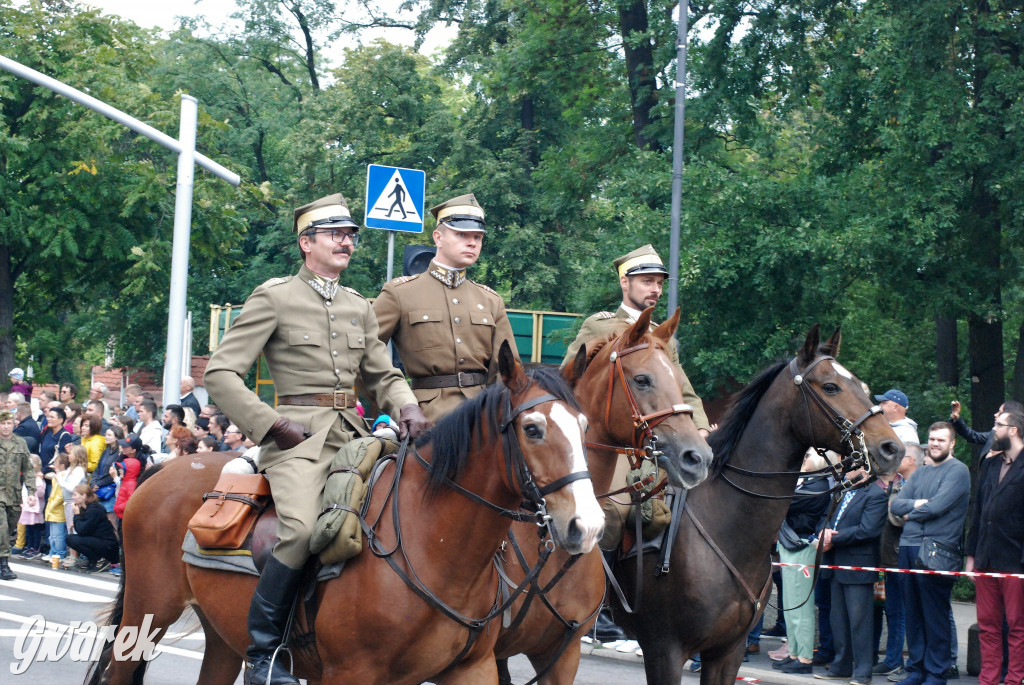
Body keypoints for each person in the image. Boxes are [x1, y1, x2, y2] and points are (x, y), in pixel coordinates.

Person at [204, 191, 429, 685]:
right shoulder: (275, 296)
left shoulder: (358, 305)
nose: (346, 242)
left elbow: (381, 373)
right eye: (335, 234)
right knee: (304, 531)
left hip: (355, 435)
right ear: (307, 243)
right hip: (297, 440)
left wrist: (407, 405)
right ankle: (265, 655)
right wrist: (273, 426)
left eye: (350, 235)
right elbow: (221, 374)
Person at [372, 193, 518, 422]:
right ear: (438, 237)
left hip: (482, 418)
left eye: (478, 237)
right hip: (424, 418)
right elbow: (365, 354)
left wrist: (497, 416)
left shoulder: (491, 300)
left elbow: (507, 369)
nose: (472, 242)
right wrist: (401, 406)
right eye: (462, 234)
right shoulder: (400, 293)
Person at [891, 422, 970, 685]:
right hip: (908, 547)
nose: (935, 443)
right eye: (932, 439)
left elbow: (938, 506)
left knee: (935, 616)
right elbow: (896, 505)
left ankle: (937, 672)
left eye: (941, 440)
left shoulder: (959, 471)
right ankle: (917, 670)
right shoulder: (921, 473)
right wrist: (917, 505)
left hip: (938, 550)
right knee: (913, 614)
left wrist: (912, 510)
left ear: (952, 444)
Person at [965, 410, 1024, 685]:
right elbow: (977, 512)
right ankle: (987, 680)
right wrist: (970, 557)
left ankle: (1014, 680)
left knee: (1017, 627)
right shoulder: (989, 464)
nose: (993, 431)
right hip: (985, 558)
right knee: (988, 626)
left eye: (998, 425)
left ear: (1013, 430)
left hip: (1015, 561)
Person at [814, 468, 889, 685]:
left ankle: (863, 671)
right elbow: (824, 519)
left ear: (863, 470)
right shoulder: (842, 492)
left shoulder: (876, 495)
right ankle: (842, 666)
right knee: (838, 620)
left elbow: (868, 530)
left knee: (860, 622)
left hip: (859, 566)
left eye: (850, 467)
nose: (845, 470)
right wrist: (823, 532)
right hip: (836, 564)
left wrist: (833, 539)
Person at [773, 451, 832, 674]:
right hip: (792, 547)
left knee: (800, 606)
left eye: (807, 455)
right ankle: (795, 653)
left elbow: (785, 501)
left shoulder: (818, 486)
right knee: (790, 605)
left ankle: (805, 657)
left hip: (803, 548)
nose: (803, 458)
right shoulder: (808, 483)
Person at [877, 443, 924, 680]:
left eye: (903, 456)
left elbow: (902, 519)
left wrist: (895, 508)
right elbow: (897, 512)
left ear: (913, 461)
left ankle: (901, 661)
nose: (898, 460)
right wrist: (896, 508)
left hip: (902, 555)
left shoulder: (917, 484)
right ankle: (893, 659)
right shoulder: (897, 483)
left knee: (904, 611)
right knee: (893, 609)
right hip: (890, 555)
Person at [0, 410, 33, 580]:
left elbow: (28, 469)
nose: (6, 426)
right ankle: (4, 565)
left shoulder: (20, 443)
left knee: (8, 529)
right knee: (2, 528)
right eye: (2, 423)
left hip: (13, 495)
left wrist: (32, 491)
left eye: (8, 423)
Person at [949, 400, 1023, 465]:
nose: (995, 414)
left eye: (1000, 412)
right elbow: (972, 435)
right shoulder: (993, 434)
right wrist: (956, 419)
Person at [66, 483, 119, 573]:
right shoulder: (85, 508)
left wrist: (76, 515)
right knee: (70, 539)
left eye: (75, 494)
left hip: (108, 545)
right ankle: (94, 559)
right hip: (98, 541)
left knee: (72, 539)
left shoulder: (94, 509)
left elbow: (82, 531)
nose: (73, 497)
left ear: (84, 496)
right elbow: (83, 530)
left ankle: (101, 559)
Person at [42, 453, 68, 564]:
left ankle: (60, 553)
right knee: (52, 535)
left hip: (58, 509)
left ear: (62, 465)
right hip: (52, 509)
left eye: (56, 462)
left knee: (58, 535)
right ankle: (52, 552)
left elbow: (61, 494)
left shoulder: (63, 476)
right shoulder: (58, 475)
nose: (54, 464)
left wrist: (52, 504)